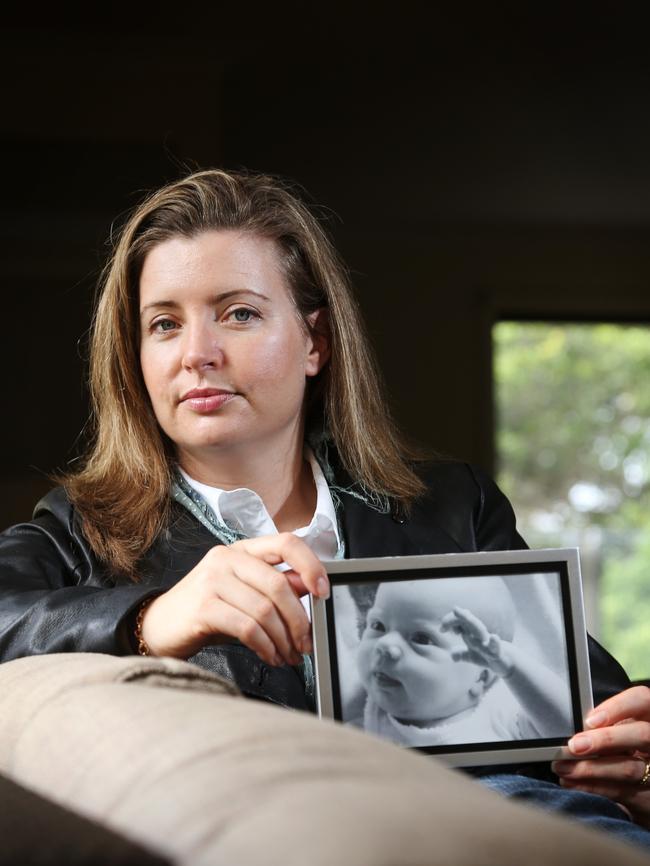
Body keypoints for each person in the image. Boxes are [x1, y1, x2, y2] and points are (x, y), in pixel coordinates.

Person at [0, 169, 649, 846]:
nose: (196, 354)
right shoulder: (80, 532)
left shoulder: (453, 507)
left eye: (238, 313)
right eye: (164, 324)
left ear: (316, 342)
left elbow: (595, 701)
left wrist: (637, 752)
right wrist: (150, 619)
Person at [347, 577, 571, 746]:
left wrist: (511, 666)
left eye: (421, 638)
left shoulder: (500, 709)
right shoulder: (371, 710)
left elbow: (568, 728)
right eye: (378, 626)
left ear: (481, 676)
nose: (385, 646)